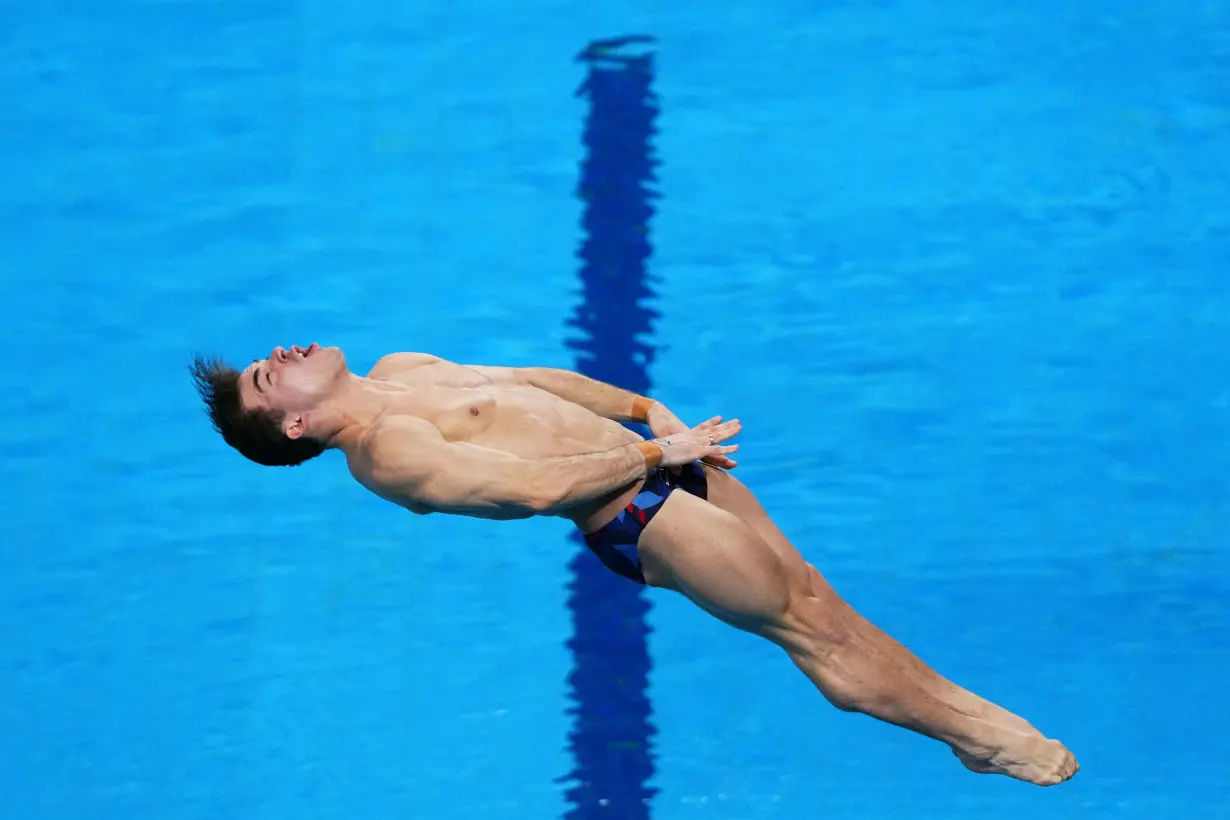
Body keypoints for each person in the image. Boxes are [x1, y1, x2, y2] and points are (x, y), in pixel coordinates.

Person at [190, 342, 1079, 787]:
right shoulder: (385, 454)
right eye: (268, 380)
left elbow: (532, 382)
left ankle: (961, 724)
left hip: (662, 459)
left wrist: (643, 409)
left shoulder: (400, 367)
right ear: (296, 427)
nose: (277, 356)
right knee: (809, 632)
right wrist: (657, 458)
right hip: (641, 514)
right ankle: (981, 736)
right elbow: (531, 489)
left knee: (819, 601)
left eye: (265, 359)